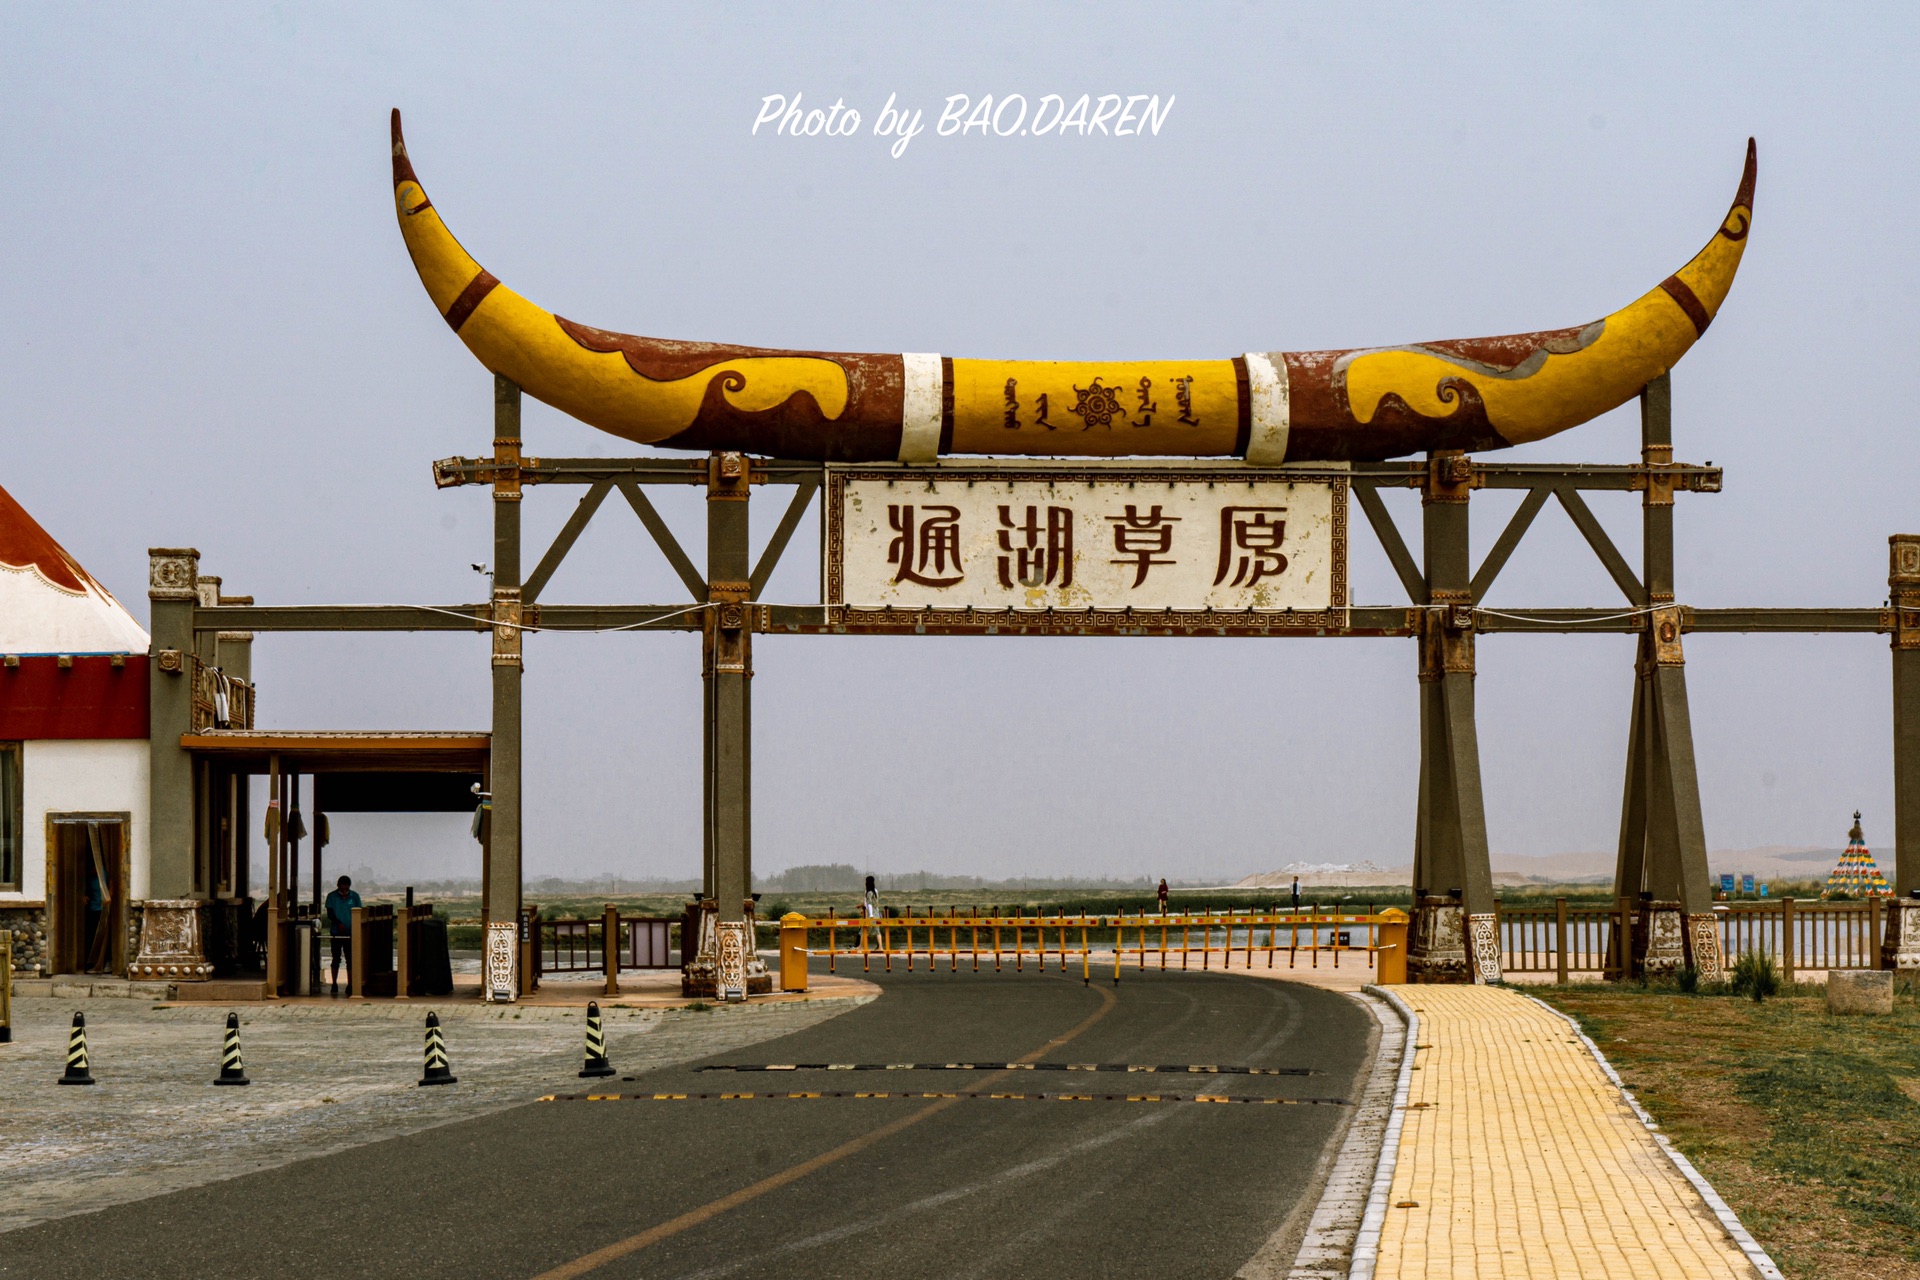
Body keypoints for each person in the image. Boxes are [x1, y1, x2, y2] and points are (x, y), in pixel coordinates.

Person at [324, 875, 362, 995]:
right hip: (336, 932)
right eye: (342, 887)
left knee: (350, 959)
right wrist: (338, 923)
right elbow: (330, 914)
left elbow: (359, 912)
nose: (345, 890)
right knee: (336, 958)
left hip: (350, 933)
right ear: (338, 885)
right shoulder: (332, 897)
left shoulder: (354, 896)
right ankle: (334, 983)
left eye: (347, 888)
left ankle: (350, 984)